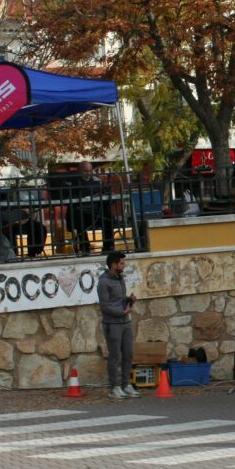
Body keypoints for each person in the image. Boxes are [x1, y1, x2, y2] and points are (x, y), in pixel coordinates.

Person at [98, 251, 137, 399]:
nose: (124, 265)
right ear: (113, 265)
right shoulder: (104, 282)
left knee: (128, 354)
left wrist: (129, 300)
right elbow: (105, 307)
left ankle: (125, 384)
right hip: (113, 324)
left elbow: (119, 299)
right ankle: (114, 387)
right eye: (121, 263)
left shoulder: (120, 279)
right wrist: (123, 312)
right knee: (114, 356)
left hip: (125, 322)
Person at [68, 161, 115, 254]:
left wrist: (103, 195)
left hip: (96, 212)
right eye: (85, 171)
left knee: (108, 218)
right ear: (80, 171)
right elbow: (69, 198)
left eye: (90, 171)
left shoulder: (96, 181)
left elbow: (103, 194)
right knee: (78, 219)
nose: (88, 173)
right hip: (81, 212)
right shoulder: (73, 183)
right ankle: (85, 247)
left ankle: (108, 247)